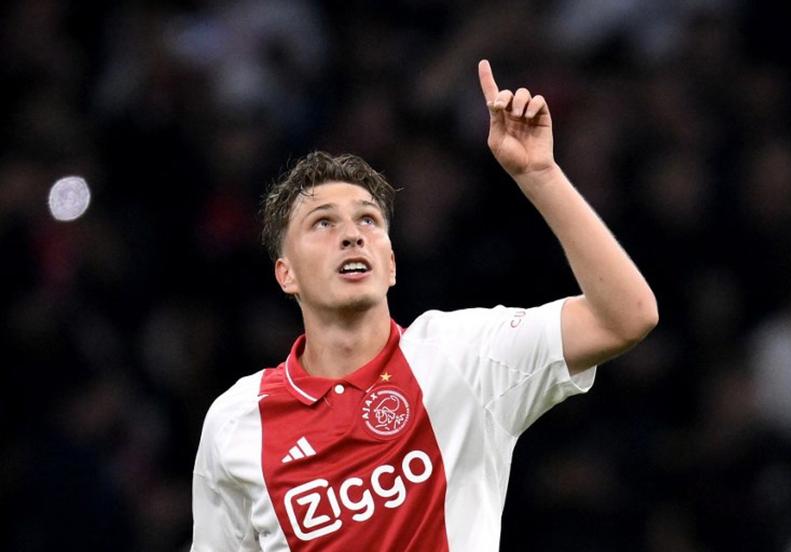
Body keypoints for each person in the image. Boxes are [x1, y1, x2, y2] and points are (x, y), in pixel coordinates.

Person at [191, 60, 658, 551]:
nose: (352, 235)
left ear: (390, 264)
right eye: (323, 223)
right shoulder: (236, 422)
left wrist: (540, 175)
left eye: (368, 220)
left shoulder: (464, 356)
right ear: (286, 274)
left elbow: (627, 317)